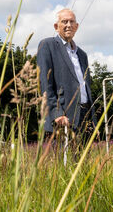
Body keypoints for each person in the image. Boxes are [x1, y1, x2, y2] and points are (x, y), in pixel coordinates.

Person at [37, 8, 96, 148]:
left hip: (84, 116)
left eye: (72, 22)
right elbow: (45, 84)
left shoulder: (82, 54)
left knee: (83, 164)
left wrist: (91, 117)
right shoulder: (47, 45)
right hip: (64, 117)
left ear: (77, 26)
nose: (68, 25)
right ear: (56, 26)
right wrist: (56, 113)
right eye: (64, 22)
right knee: (64, 165)